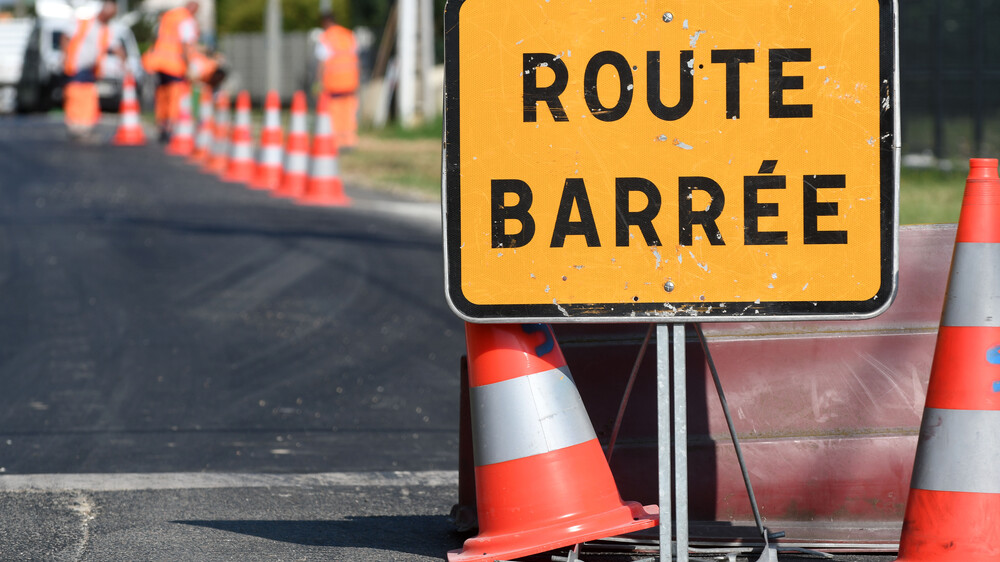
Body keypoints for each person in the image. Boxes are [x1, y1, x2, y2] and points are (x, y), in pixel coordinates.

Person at [62, 0, 124, 143]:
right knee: (76, 95)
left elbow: (115, 47)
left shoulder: (107, 30)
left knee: (89, 97)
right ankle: (76, 126)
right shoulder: (86, 23)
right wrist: (65, 56)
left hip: (91, 69)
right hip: (76, 65)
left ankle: (85, 128)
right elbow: (65, 37)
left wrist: (124, 63)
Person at [142, 1, 200, 142]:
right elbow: (186, 44)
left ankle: (162, 125)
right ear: (194, 9)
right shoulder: (186, 20)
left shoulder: (169, 16)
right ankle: (170, 127)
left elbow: (156, 37)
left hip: (159, 63)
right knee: (174, 96)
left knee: (162, 96)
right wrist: (190, 65)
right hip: (174, 65)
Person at [316, 12, 359, 149]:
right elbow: (356, 60)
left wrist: (318, 81)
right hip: (350, 82)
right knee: (348, 113)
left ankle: (336, 143)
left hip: (334, 83)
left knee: (334, 112)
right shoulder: (348, 35)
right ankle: (349, 141)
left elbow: (322, 62)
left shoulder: (326, 38)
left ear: (325, 23)